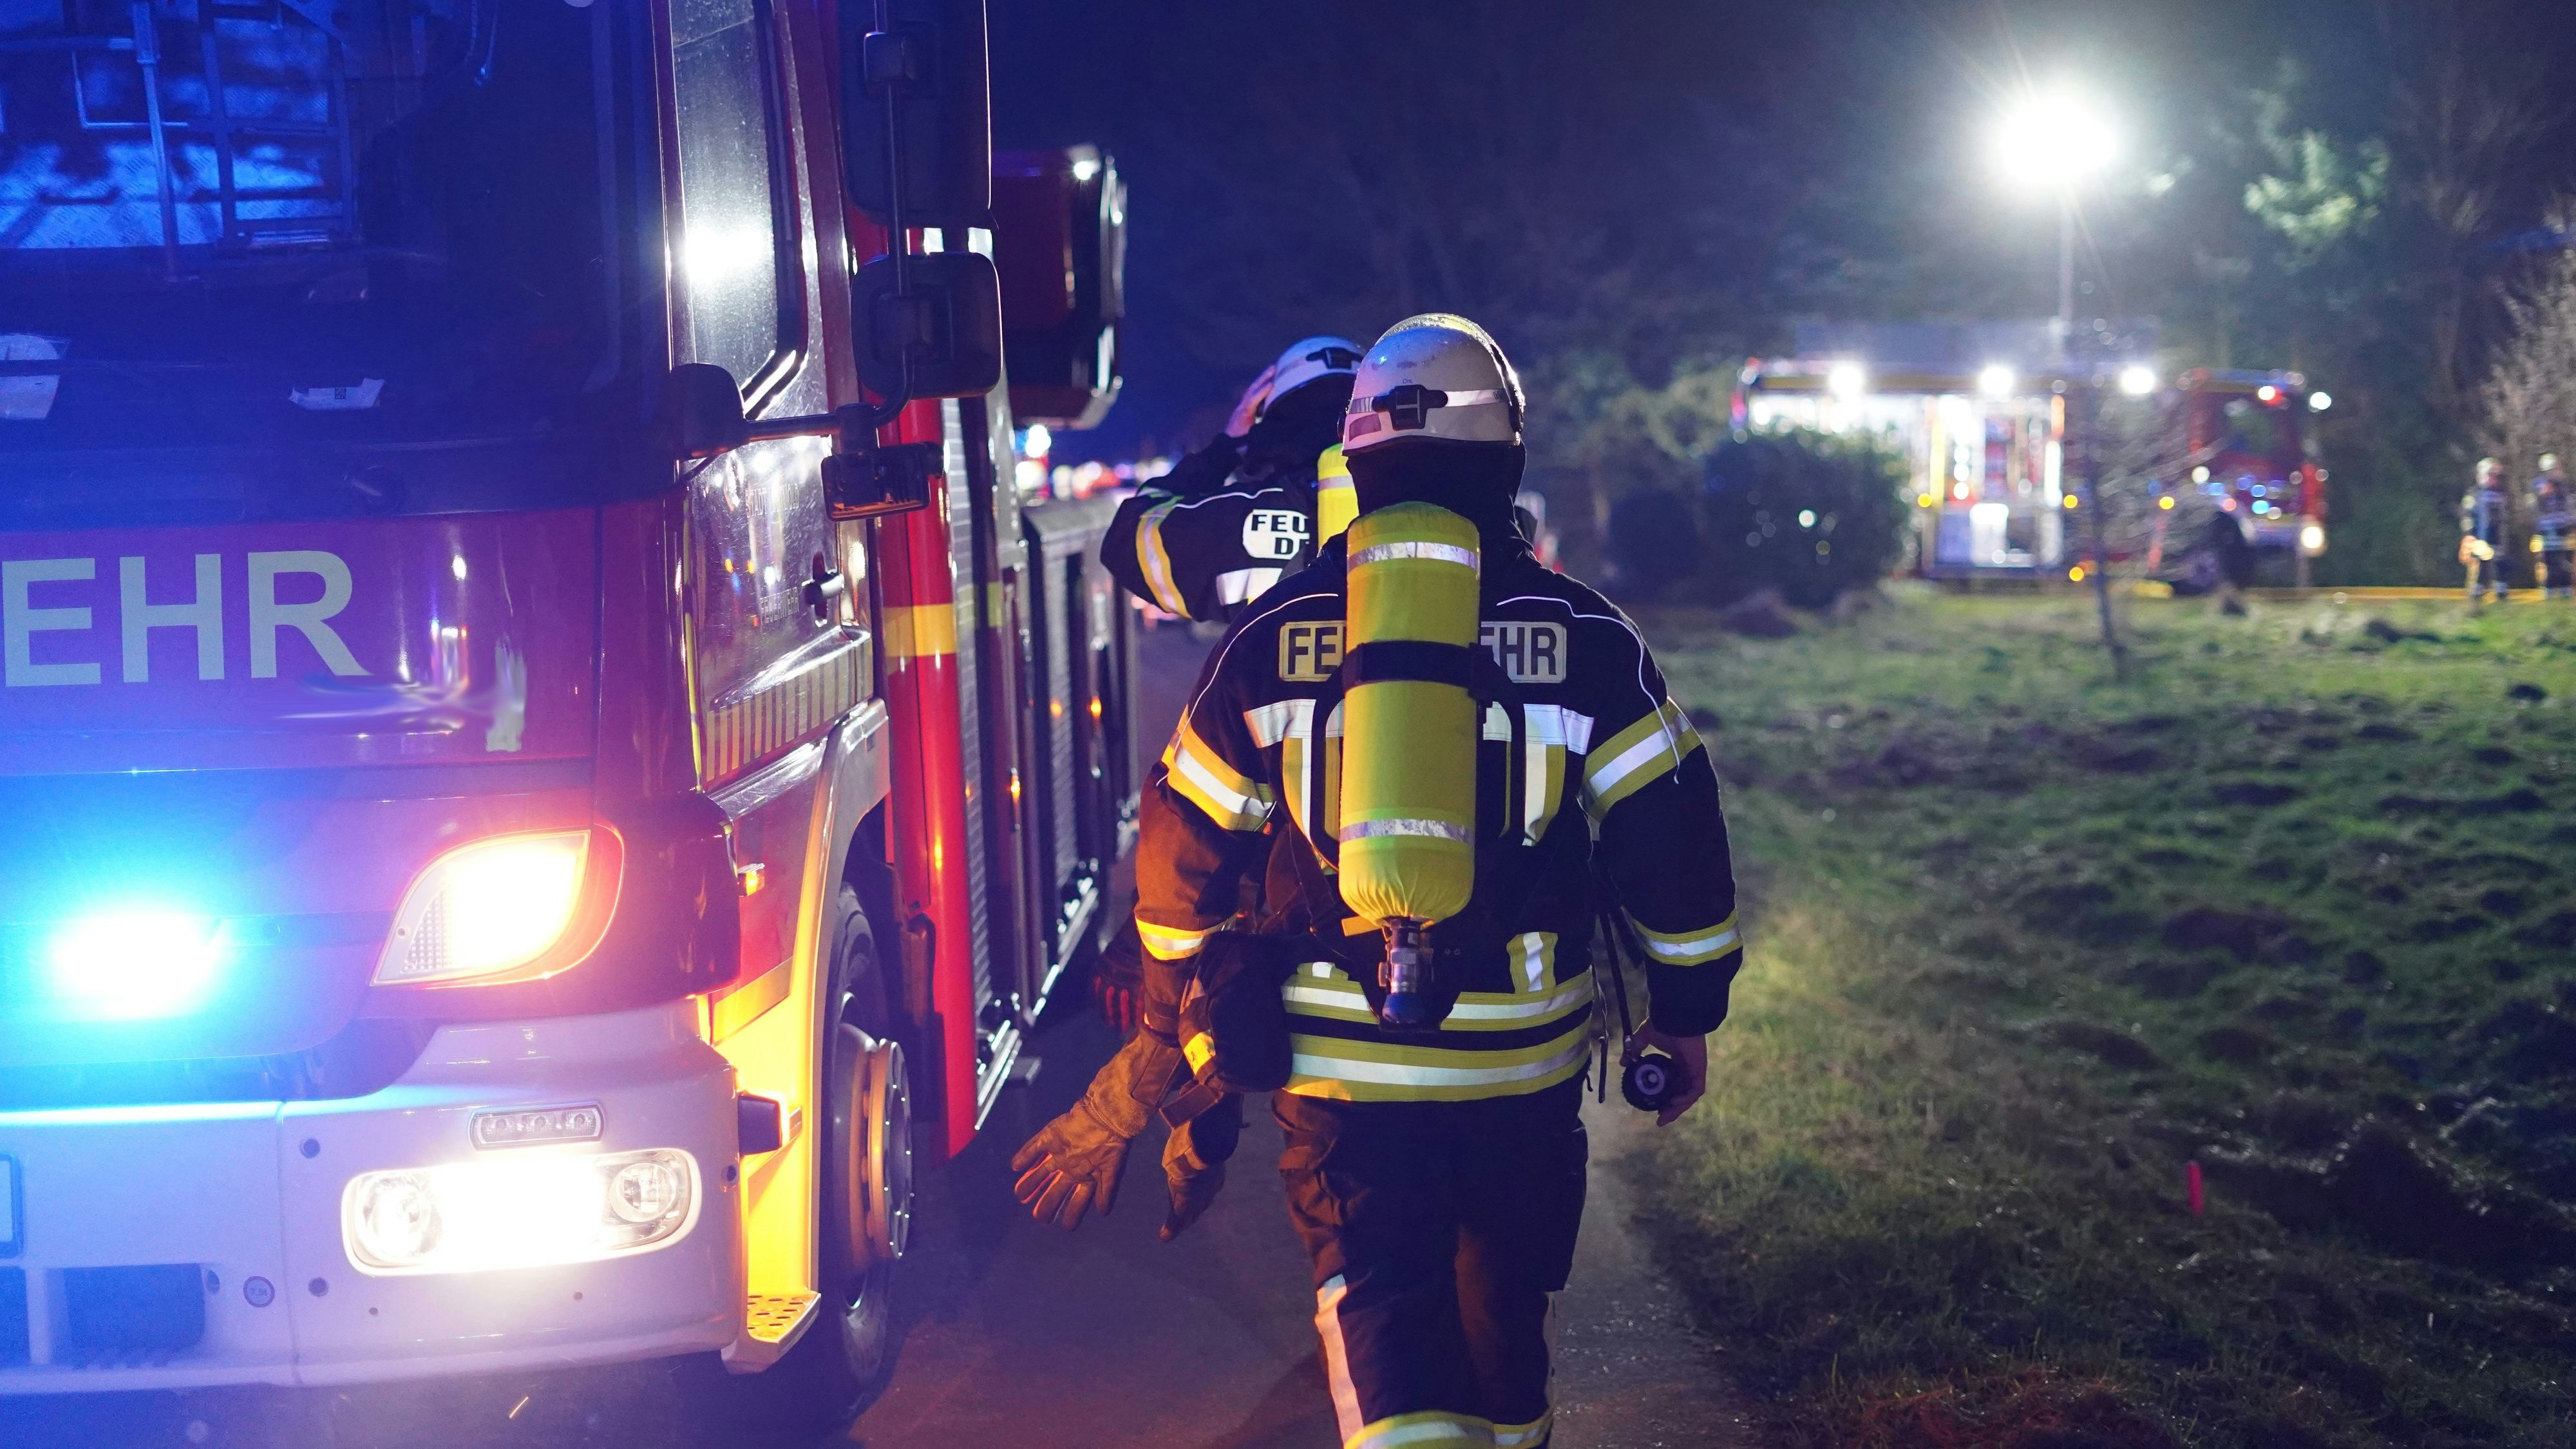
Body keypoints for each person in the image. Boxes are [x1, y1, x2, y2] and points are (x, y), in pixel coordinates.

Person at [1012, 315, 1745, 1449]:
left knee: (1387, 1328)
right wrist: (1685, 1014)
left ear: (1354, 460)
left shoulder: (1273, 635)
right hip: (1522, 1067)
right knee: (1505, 1336)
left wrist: (1165, 1022)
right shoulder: (1587, 638)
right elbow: (1673, 836)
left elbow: (1180, 857)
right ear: (1508, 457)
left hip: (1344, 1081)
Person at [1086, 336, 1364, 1035]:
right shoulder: (1447, 529)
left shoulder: (1251, 516)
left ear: (1272, 421)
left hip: (1278, 846)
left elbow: (1132, 538)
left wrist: (1223, 450)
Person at [2462, 457, 2512, 605]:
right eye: (2492, 475)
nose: (2495, 479)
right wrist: (2469, 534)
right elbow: (2467, 515)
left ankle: (2501, 593)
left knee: (2501, 564)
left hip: (2499, 536)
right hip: (2480, 537)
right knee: (2481, 565)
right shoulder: (2474, 493)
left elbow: (2507, 514)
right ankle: (2476, 594)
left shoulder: (2503, 493)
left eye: (2496, 476)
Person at [2532, 453, 2572, 600]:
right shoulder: (2539, 485)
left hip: (2564, 527)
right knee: (2549, 560)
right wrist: (2543, 495)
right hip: (2546, 528)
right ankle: (2549, 590)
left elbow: (2570, 504)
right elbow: (2534, 505)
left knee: (2565, 560)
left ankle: (2566, 590)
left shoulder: (2566, 485)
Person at [2204, 504, 2256, 616]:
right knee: (2227, 585)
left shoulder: (2225, 520)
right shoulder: (2234, 519)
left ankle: (2235, 608)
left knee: (2227, 585)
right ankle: (2233, 608)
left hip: (2231, 561)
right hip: (2233, 560)